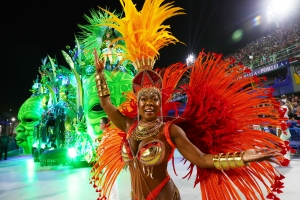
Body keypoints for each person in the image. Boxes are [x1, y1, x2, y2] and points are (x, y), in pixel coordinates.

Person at [90, 0, 288, 199]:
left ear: (161, 103)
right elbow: (106, 103)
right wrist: (100, 74)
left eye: (154, 98)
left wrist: (241, 157)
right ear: (138, 103)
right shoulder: (128, 126)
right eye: (144, 99)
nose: (149, 102)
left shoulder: (169, 130)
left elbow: (201, 159)